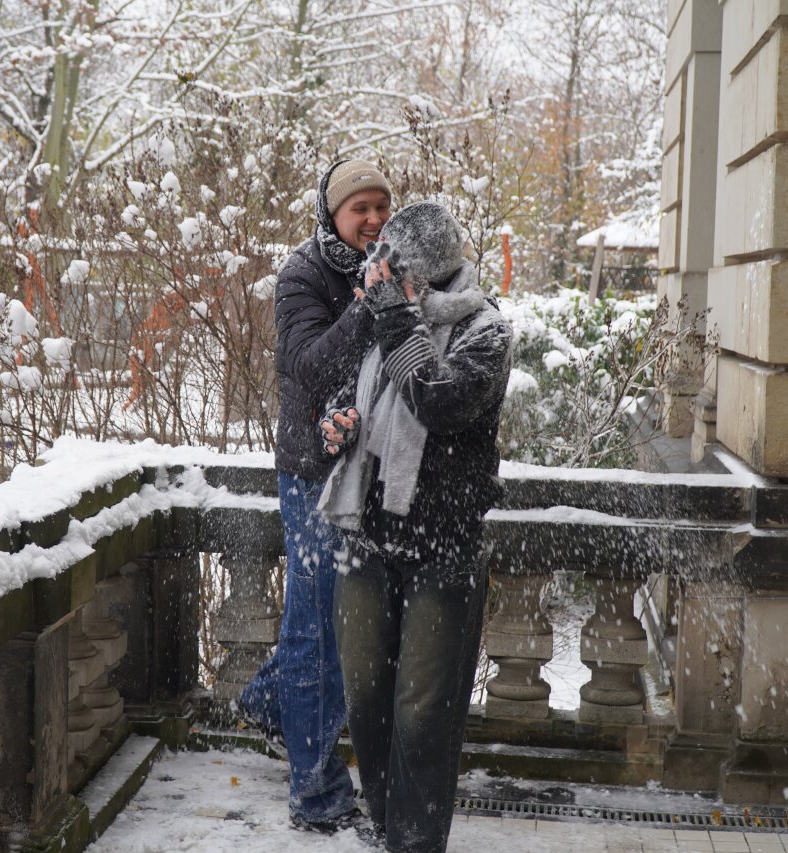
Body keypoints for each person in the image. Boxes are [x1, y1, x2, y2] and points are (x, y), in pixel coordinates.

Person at [319, 201, 512, 852]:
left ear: (426, 272)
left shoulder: (485, 330)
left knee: (423, 713)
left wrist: (396, 317)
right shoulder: (386, 314)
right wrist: (337, 420)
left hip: (442, 547)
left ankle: (415, 841)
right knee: (367, 702)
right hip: (365, 538)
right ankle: (385, 827)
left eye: (395, 266)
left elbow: (436, 398)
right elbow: (351, 389)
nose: (381, 273)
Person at [237, 159, 393, 833]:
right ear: (332, 215)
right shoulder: (303, 273)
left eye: (382, 206)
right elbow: (308, 365)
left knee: (342, 622)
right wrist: (367, 305)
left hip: (371, 473)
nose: (374, 219)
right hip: (314, 475)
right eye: (361, 208)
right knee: (317, 627)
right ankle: (316, 791)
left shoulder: (395, 266)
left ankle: (269, 705)